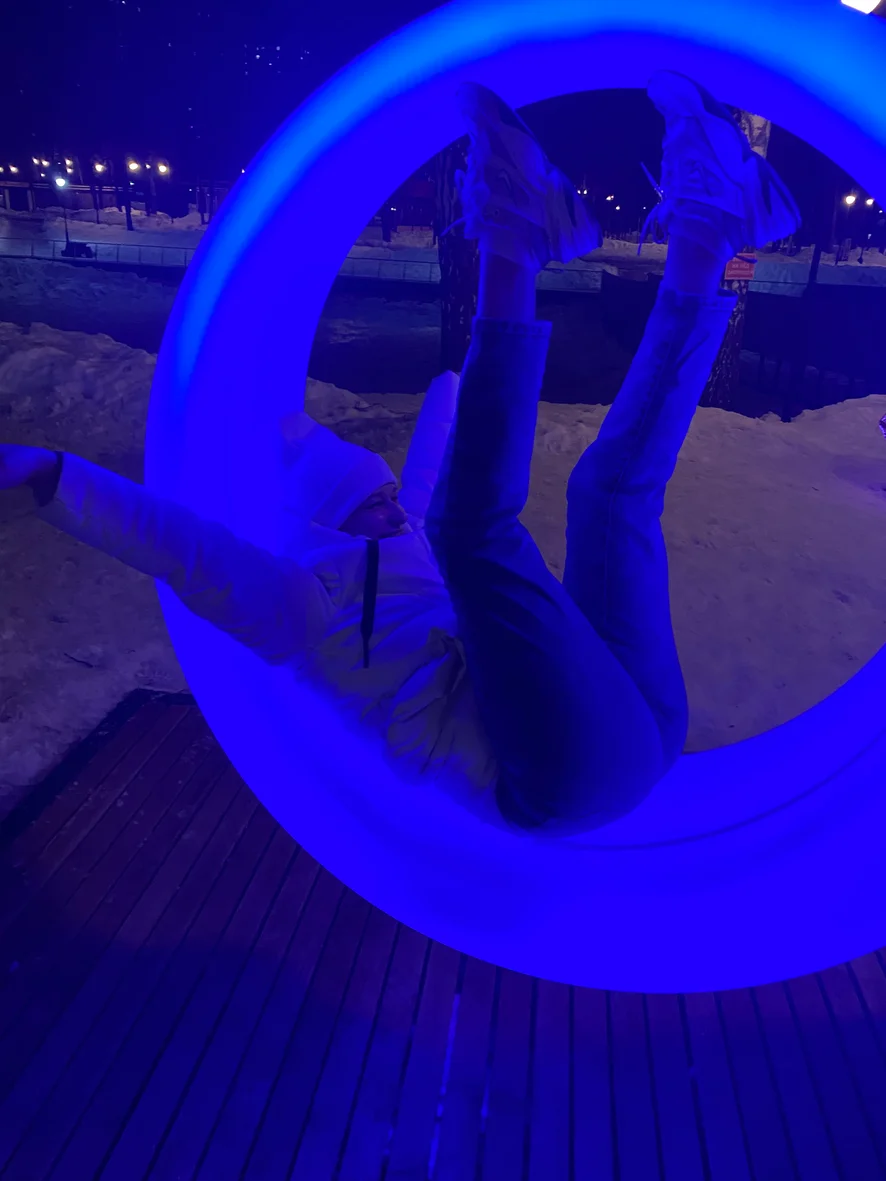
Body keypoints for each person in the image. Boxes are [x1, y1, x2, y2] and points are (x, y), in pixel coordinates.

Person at [0, 72, 801, 834]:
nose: (392, 510)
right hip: (560, 778)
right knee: (468, 532)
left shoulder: (399, 533)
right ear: (325, 528)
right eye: (371, 506)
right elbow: (189, 555)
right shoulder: (301, 608)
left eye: (383, 496)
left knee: (607, 495)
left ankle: (708, 234)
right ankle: (515, 243)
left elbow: (430, 465)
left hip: (638, 714)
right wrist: (53, 476)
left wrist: (451, 391)